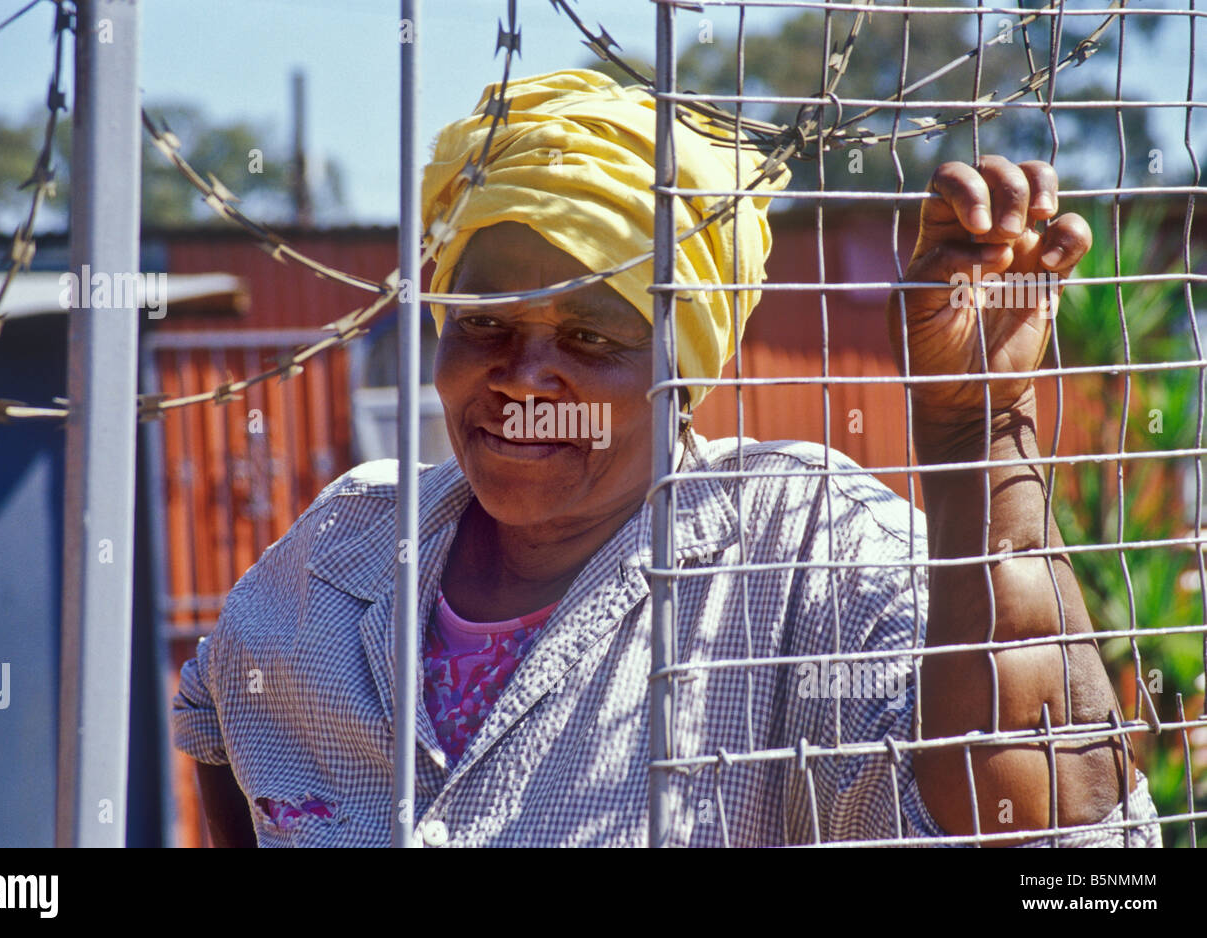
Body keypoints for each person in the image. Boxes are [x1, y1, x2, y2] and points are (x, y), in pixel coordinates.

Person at [172, 69, 1161, 847]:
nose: (524, 377)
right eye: (485, 325)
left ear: (680, 376)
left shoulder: (800, 547)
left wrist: (974, 434)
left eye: (594, 339)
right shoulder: (347, 543)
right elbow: (221, 718)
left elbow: (1058, 838)